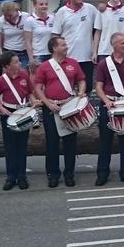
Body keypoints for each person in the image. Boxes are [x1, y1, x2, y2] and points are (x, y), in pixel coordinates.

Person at [35, 36, 86, 188]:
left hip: (69, 106)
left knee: (70, 142)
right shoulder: (44, 66)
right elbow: (37, 88)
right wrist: (47, 103)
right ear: (54, 48)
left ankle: (69, 174)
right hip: (51, 107)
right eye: (63, 45)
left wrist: (81, 92)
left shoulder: (73, 63)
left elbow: (81, 80)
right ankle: (53, 174)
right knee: (52, 143)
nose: (66, 46)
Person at [94, 32, 124, 187]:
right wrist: (106, 100)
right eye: (122, 43)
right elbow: (99, 86)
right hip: (110, 104)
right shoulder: (104, 64)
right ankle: (102, 173)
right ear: (114, 45)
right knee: (105, 141)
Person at [0, 51, 36, 191]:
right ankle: (11, 176)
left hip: (22, 112)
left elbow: (30, 92)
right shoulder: (1, 80)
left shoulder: (24, 75)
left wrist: (33, 103)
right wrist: (1, 108)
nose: (20, 64)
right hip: (8, 113)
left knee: (22, 146)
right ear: (7, 66)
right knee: (10, 147)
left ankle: (22, 176)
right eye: (16, 62)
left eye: (19, 61)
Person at [52, 0, 99, 83]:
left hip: (87, 57)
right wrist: (55, 55)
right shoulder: (62, 12)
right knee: (69, 88)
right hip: (67, 57)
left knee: (87, 89)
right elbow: (55, 35)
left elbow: (100, 27)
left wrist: (103, 7)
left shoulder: (90, 9)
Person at [0, 1, 31, 70]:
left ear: (17, 10)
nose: (7, 18)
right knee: (10, 74)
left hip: (23, 52)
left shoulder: (26, 17)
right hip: (8, 52)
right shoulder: (0, 21)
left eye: (10, 15)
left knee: (23, 74)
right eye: (5, 15)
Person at [24, 0, 55, 69]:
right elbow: (28, 41)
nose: (44, 6)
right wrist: (31, 58)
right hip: (38, 55)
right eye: (41, 4)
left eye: (46, 4)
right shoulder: (29, 20)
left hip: (51, 54)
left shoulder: (52, 18)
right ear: (35, 6)